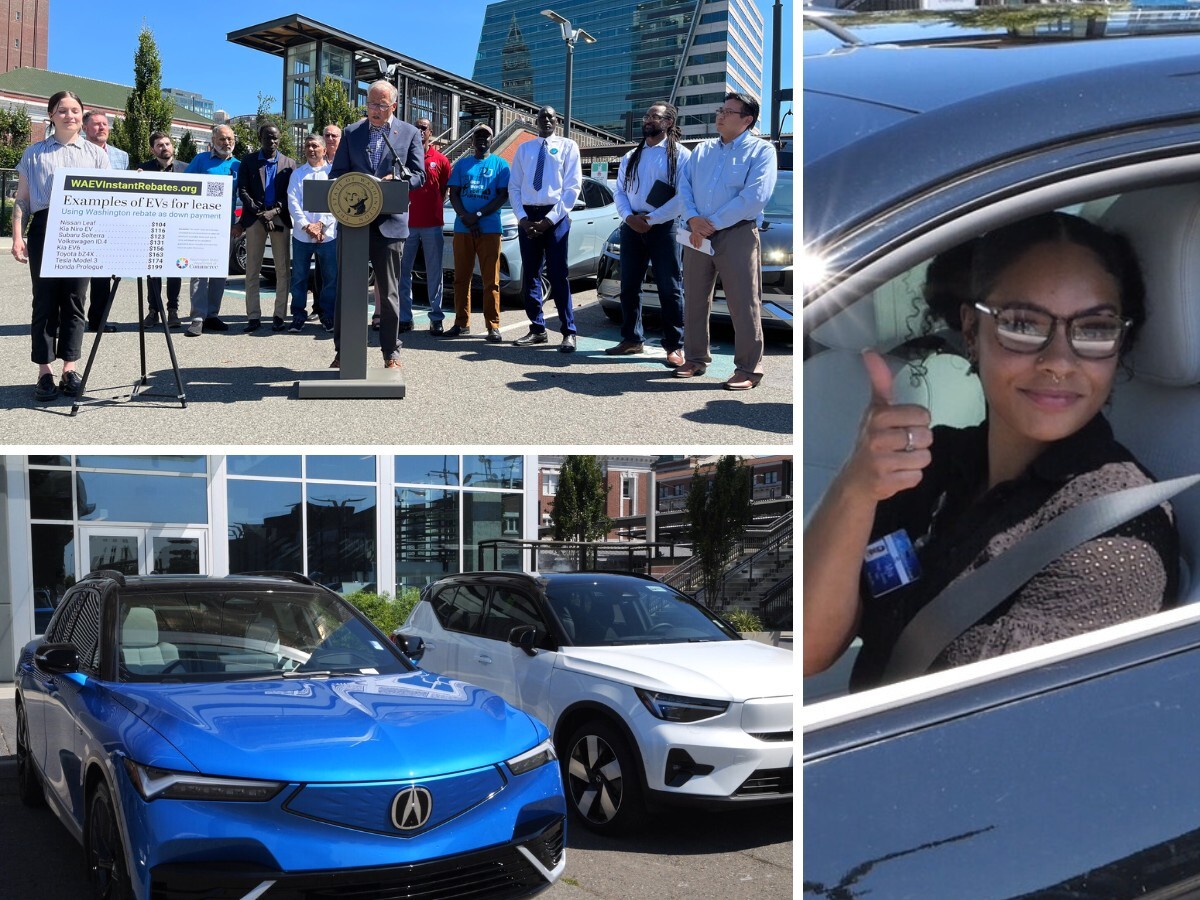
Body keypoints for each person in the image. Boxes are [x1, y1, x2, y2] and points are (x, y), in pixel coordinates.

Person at [803, 212, 1180, 692]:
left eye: (1094, 329)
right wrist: (855, 488)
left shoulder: (1117, 536)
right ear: (969, 329)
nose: (1060, 362)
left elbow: (987, 742)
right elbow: (812, 650)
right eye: (1022, 323)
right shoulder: (932, 464)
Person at [12, 90, 110, 402]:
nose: (70, 115)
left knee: (75, 300)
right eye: (62, 110)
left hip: (83, 228)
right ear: (51, 115)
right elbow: (23, 199)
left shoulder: (96, 155)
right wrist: (17, 235)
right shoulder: (35, 153)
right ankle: (44, 372)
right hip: (44, 226)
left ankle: (70, 368)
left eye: (75, 110)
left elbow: (107, 200)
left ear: (82, 116)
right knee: (44, 301)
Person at [676, 92, 777, 390]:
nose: (720, 115)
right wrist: (694, 219)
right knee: (694, 297)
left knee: (744, 301)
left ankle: (748, 368)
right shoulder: (703, 150)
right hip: (696, 232)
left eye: (729, 111)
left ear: (747, 120)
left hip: (737, 233)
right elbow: (685, 186)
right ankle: (694, 358)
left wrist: (711, 224)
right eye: (721, 110)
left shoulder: (761, 151)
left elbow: (755, 196)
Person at [328, 79, 424, 371]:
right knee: (348, 290)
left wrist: (400, 180)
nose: (375, 110)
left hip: (389, 225)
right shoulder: (351, 132)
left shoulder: (408, 134)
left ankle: (390, 353)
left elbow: (419, 176)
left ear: (393, 106)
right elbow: (338, 174)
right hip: (353, 223)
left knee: (389, 292)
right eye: (371, 103)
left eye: (381, 105)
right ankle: (343, 352)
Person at [607, 101, 691, 366]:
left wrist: (652, 219)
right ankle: (632, 339)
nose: (648, 120)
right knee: (629, 285)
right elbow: (619, 191)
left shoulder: (681, 155)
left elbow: (683, 196)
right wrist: (629, 217)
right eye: (647, 116)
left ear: (668, 123)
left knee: (670, 287)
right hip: (632, 226)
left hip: (664, 227)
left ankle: (674, 346)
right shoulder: (631, 155)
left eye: (655, 116)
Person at [508, 106, 581, 353]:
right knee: (531, 274)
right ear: (536, 121)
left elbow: (572, 188)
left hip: (556, 216)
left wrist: (549, 220)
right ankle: (537, 329)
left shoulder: (568, 146)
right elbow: (514, 187)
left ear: (557, 121)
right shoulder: (525, 148)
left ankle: (568, 331)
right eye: (542, 116)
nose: (546, 120)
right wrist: (522, 218)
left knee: (559, 274)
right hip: (528, 216)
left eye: (551, 116)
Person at [446, 124, 510, 342]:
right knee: (461, 278)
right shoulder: (462, 165)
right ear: (472, 141)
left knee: (491, 280)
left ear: (492, 140)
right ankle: (461, 323)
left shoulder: (501, 165)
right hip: (463, 228)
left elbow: (502, 196)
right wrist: (466, 216)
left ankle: (493, 325)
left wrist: (479, 215)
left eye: (486, 136)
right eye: (478, 136)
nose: (482, 139)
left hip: (490, 229)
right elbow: (453, 193)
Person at [237, 124, 296, 333]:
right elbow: (242, 189)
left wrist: (275, 211)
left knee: (282, 269)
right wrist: (257, 210)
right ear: (260, 138)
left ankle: (279, 316)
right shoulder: (249, 161)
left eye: (276, 138)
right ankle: (253, 316)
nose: (272, 142)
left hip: (279, 218)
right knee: (252, 269)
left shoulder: (289, 163)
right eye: (268, 138)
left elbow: (292, 192)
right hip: (255, 219)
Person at [183, 124, 240, 337]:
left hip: (225, 228)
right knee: (198, 272)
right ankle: (197, 317)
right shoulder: (200, 161)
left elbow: (243, 195)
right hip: (201, 225)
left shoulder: (238, 165)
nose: (227, 143)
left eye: (230, 139)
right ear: (213, 141)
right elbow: (186, 187)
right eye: (223, 139)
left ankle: (213, 314)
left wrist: (239, 223)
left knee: (218, 273)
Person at [398, 117, 450, 335]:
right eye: (416, 127)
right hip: (406, 225)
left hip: (432, 225)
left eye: (424, 128)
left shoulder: (441, 160)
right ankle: (405, 317)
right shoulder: (405, 159)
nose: (420, 131)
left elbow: (444, 190)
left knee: (434, 272)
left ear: (431, 132)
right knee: (403, 272)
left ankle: (436, 317)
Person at [82, 110, 128, 333]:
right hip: (80, 220)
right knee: (75, 277)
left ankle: (98, 319)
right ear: (85, 128)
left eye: (105, 124)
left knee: (102, 277)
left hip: (108, 223)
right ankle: (68, 321)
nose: (101, 128)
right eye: (96, 124)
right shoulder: (74, 151)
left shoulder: (121, 156)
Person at [286, 133, 337, 334]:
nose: (311, 149)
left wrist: (321, 225)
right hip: (302, 236)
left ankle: (327, 316)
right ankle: (298, 316)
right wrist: (308, 226)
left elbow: (336, 203)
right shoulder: (298, 174)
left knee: (330, 278)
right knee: (299, 278)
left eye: (315, 145)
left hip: (328, 236)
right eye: (308, 145)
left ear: (324, 150)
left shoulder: (333, 173)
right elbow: (293, 202)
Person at [139, 131, 187, 329]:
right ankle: (153, 311)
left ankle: (173, 310)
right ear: (153, 149)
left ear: (172, 146)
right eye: (159, 145)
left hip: (177, 227)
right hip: (153, 226)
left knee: (175, 269)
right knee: (153, 271)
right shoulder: (144, 169)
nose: (164, 147)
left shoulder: (186, 169)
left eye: (167, 143)